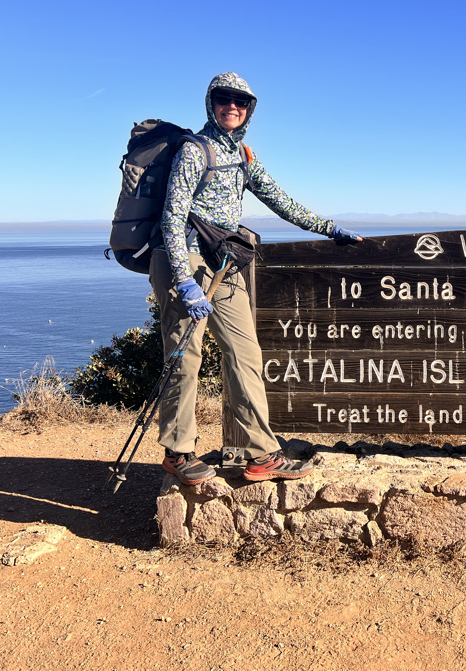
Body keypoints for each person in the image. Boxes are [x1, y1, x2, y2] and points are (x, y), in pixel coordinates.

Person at [151, 72, 361, 485]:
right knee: (185, 359)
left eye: (241, 101)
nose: (232, 106)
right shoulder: (195, 150)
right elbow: (171, 219)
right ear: (211, 103)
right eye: (224, 99)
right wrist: (185, 280)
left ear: (250, 109)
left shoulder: (244, 155)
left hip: (224, 262)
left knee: (245, 355)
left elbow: (280, 200)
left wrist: (329, 228)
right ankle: (178, 451)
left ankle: (260, 454)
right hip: (186, 260)